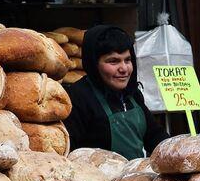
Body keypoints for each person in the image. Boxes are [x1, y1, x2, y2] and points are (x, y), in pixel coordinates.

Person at [61, 24, 167, 159]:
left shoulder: (132, 94)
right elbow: (69, 153)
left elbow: (155, 136)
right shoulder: (78, 98)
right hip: (97, 178)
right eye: (113, 61)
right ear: (94, 64)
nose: (124, 69)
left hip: (133, 176)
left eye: (127, 60)